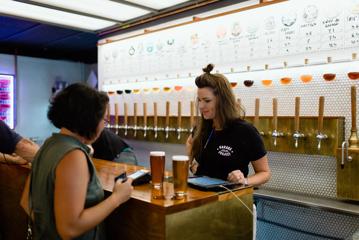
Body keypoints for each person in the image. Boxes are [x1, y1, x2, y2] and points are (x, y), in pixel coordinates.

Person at [20, 83, 133, 239]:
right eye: (103, 119)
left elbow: (27, 202)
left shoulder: (48, 145)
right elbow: (70, 229)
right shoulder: (73, 156)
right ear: (89, 119)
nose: (103, 125)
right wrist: (116, 198)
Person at [186, 64, 271, 186]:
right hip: (202, 197)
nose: (200, 106)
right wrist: (191, 163)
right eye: (199, 100)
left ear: (223, 100)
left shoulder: (245, 131)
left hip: (230, 199)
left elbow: (264, 172)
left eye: (207, 101)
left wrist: (244, 181)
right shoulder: (203, 127)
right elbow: (190, 142)